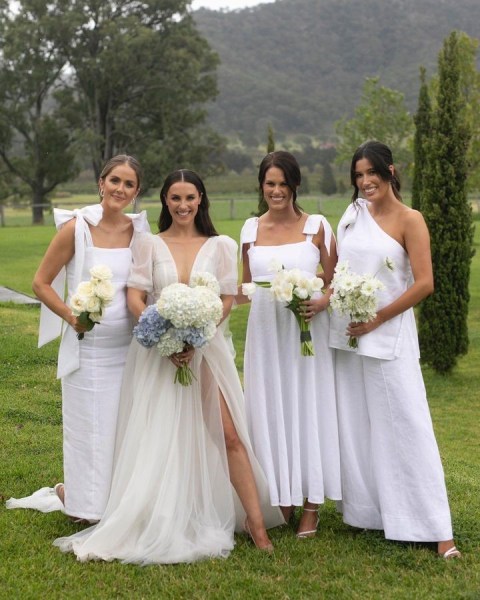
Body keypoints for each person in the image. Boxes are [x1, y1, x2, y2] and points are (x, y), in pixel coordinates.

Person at [53, 169, 284, 564]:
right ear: (165, 202)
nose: (182, 205)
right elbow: (136, 298)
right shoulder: (148, 245)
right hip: (159, 355)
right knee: (157, 437)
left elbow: (227, 298)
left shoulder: (221, 245)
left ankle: (258, 526)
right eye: (175, 198)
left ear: (200, 200)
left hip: (207, 351)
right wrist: (163, 335)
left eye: (190, 198)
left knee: (229, 435)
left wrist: (200, 332)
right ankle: (158, 515)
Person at [329, 140, 460, 559]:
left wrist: (379, 318)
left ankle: (438, 530)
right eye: (358, 175)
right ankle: (374, 513)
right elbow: (338, 271)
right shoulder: (352, 216)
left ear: (391, 171)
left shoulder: (410, 219)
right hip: (348, 335)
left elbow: (424, 282)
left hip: (389, 336)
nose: (365, 182)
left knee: (408, 425)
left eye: (372, 173)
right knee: (358, 426)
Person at [7, 155, 150, 523]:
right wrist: (72, 317)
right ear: (101, 183)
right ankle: (84, 505)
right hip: (89, 351)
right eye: (114, 180)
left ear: (137, 192)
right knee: (89, 429)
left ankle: (115, 500)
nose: (120, 189)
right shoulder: (77, 228)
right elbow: (40, 283)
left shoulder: (140, 232)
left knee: (124, 428)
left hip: (129, 348)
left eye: (129, 184)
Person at [238, 151, 341, 538]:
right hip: (265, 336)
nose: (276, 191)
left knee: (308, 408)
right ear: (261, 186)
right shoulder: (249, 230)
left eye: (283, 184)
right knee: (269, 410)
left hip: (306, 336)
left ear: (295, 185)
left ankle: (311, 504)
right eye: (270, 184)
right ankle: (280, 494)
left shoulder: (317, 226)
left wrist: (322, 300)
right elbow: (246, 287)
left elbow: (335, 279)